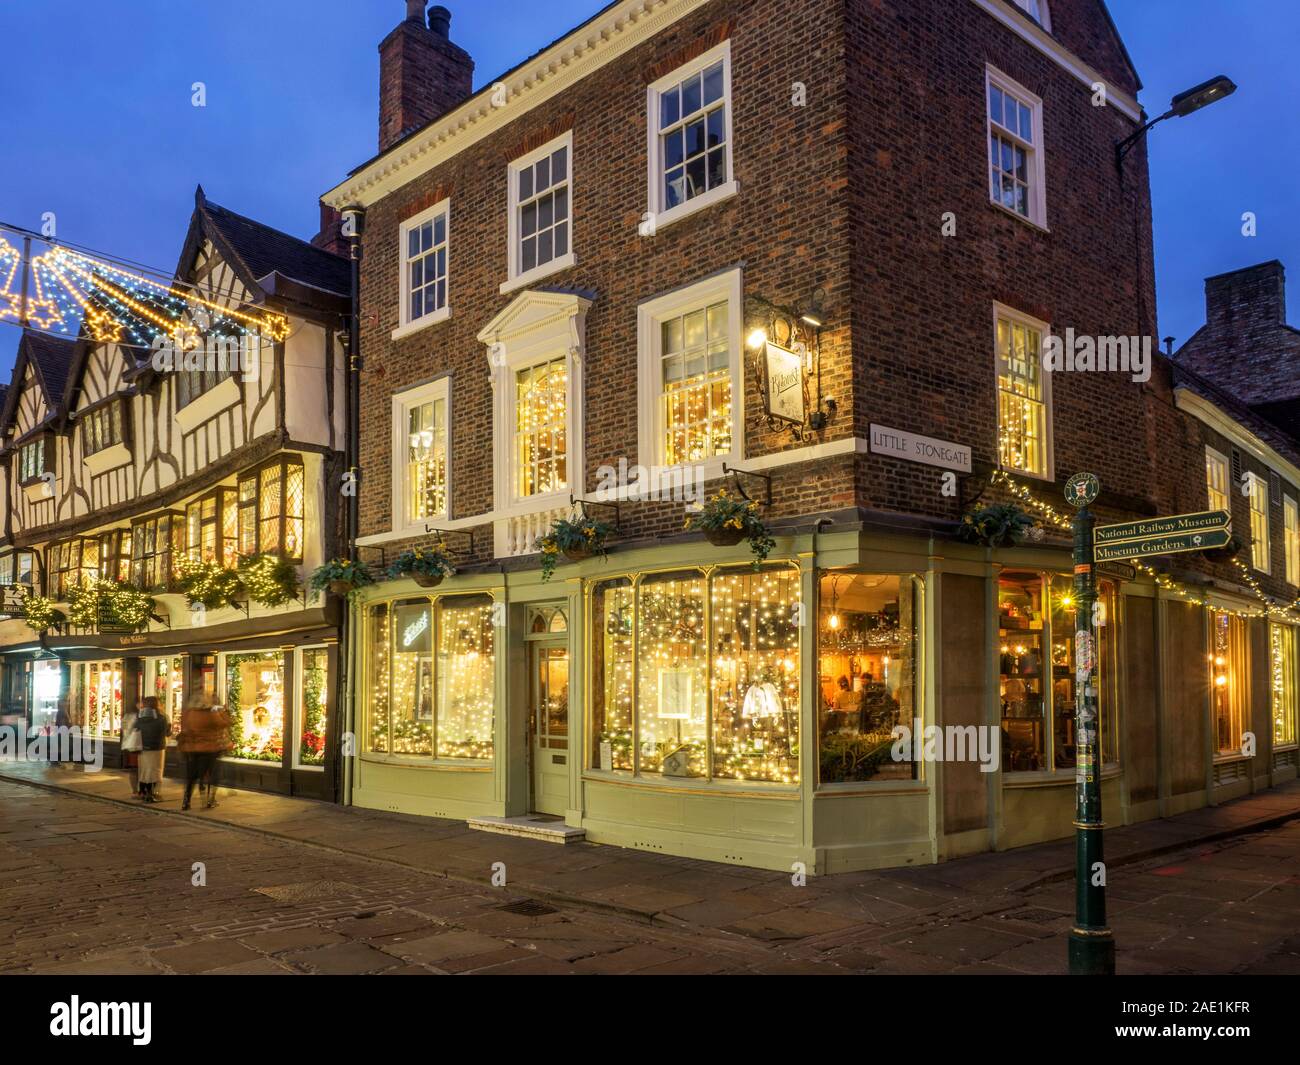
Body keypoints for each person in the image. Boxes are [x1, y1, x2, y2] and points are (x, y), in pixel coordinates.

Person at [178, 698, 231, 811]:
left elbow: (185, 729)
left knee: (191, 777)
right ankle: (209, 800)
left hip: (192, 749)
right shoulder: (211, 714)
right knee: (211, 775)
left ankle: (186, 801)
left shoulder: (190, 714)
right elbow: (224, 723)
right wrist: (223, 712)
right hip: (209, 749)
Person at [134, 696, 171, 802]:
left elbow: (135, 729)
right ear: (156, 704)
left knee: (145, 770)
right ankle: (152, 794)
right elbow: (166, 733)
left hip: (143, 747)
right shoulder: (162, 717)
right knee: (155, 770)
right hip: (157, 747)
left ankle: (143, 792)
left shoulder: (140, 716)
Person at [121, 702, 142, 796]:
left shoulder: (127, 716)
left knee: (134, 769)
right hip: (137, 745)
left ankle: (135, 790)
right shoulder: (135, 716)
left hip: (131, 745)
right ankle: (137, 790)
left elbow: (124, 729)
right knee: (136, 769)